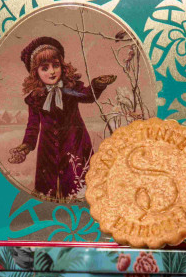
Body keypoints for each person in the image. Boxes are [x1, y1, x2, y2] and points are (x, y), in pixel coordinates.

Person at [8, 36, 117, 200]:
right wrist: (26, 146)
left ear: (62, 66)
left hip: (75, 145)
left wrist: (97, 84)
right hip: (48, 152)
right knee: (50, 188)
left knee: (77, 184)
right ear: (35, 72)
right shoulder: (35, 98)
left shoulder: (70, 88)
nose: (52, 71)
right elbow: (33, 126)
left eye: (56, 65)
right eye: (45, 68)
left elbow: (88, 95)